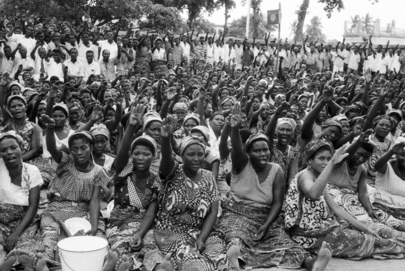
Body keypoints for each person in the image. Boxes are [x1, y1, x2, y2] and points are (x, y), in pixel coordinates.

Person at [217, 104, 330, 271]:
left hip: (265, 215)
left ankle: (312, 264)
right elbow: (235, 149)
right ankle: (236, 262)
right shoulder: (241, 164)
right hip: (237, 213)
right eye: (258, 151)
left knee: (284, 241)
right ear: (248, 153)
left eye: (266, 150)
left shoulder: (276, 169)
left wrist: (267, 224)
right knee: (236, 237)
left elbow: (277, 202)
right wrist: (234, 128)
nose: (263, 154)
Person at [285, 139, 405, 259]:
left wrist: (366, 229)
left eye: (328, 159)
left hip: (323, 229)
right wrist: (332, 163)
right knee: (370, 241)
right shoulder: (305, 175)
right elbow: (313, 194)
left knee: (373, 234)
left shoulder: (318, 178)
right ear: (309, 160)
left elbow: (337, 210)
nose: (325, 162)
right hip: (307, 236)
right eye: (321, 158)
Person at [154, 114, 229, 271]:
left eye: (200, 154)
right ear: (181, 156)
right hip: (171, 232)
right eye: (190, 154)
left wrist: (202, 238)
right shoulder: (173, 171)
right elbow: (166, 159)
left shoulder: (208, 176)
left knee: (219, 253)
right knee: (191, 261)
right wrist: (166, 139)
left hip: (198, 231)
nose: (196, 158)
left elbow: (213, 211)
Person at [39, 117, 110, 262]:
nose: (79, 152)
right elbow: (52, 148)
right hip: (57, 209)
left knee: (97, 242)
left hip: (84, 212)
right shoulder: (66, 161)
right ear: (70, 150)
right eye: (74, 149)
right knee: (50, 240)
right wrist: (51, 128)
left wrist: (95, 225)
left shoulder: (100, 172)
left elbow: (95, 200)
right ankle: (47, 264)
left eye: (83, 148)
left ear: (91, 147)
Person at [104, 105, 162, 271]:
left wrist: (140, 233)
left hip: (144, 225)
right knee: (124, 252)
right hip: (120, 223)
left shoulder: (156, 181)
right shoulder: (124, 172)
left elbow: (151, 212)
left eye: (146, 154)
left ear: (154, 156)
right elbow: (122, 154)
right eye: (136, 153)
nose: (141, 158)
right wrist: (131, 126)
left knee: (151, 252)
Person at [0, 131, 47, 270]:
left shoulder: (32, 170)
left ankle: (19, 262)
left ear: (21, 148)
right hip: (1, 222)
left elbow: (33, 206)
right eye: (3, 150)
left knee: (25, 249)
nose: (9, 152)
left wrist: (16, 233)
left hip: (25, 221)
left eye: (13, 147)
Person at [373, 137, 405, 220]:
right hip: (383, 208)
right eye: (403, 155)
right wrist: (391, 152)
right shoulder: (388, 166)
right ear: (396, 155)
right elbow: (377, 166)